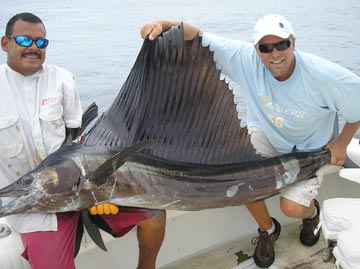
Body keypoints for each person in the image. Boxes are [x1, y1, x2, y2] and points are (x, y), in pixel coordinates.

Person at [140, 15, 360, 268]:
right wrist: (162, 25)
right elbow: (197, 34)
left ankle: (311, 215)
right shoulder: (245, 59)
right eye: (266, 48)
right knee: (240, 180)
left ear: (293, 42)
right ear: (257, 50)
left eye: (282, 45)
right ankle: (268, 230)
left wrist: (342, 142)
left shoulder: (324, 75)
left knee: (291, 208)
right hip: (266, 136)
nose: (275, 54)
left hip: (310, 150)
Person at [0, 12, 165, 269]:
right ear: (5, 43)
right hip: (38, 210)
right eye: (24, 40)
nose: (33, 47)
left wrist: (97, 195)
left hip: (87, 188)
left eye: (41, 42)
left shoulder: (62, 80)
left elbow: (79, 143)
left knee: (154, 216)